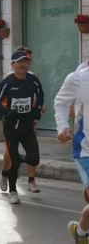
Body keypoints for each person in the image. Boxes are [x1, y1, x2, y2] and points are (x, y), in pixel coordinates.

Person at [0, 50, 44, 204]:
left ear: (28, 63)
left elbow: (40, 95)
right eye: (19, 62)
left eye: (25, 61)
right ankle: (13, 192)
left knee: (34, 159)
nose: (22, 65)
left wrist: (37, 109)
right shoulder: (7, 82)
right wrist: (7, 111)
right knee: (13, 162)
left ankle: (20, 158)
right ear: (12, 64)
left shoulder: (33, 81)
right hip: (11, 127)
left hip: (27, 126)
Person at [54, 63, 89, 243]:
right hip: (85, 150)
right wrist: (63, 126)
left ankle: (81, 232)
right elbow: (61, 102)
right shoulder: (79, 77)